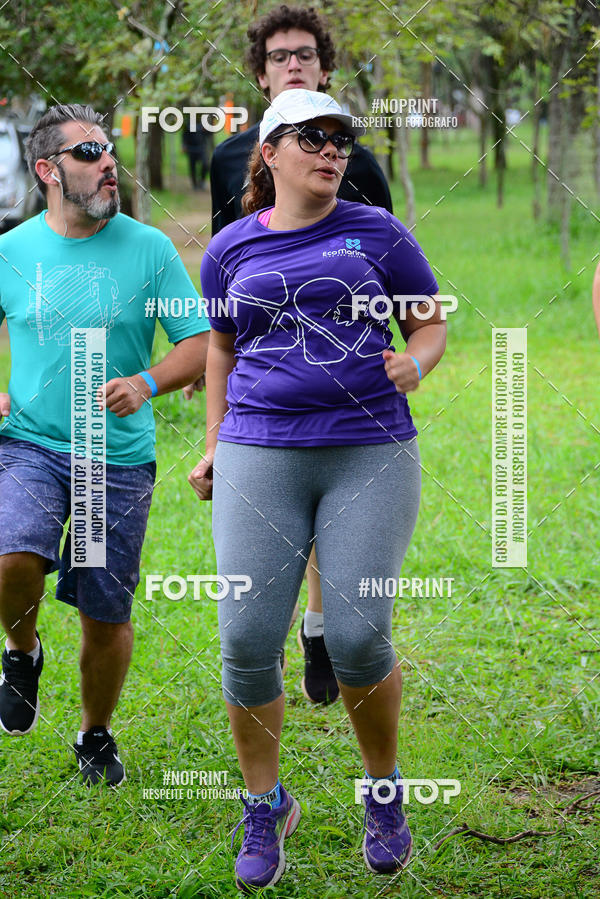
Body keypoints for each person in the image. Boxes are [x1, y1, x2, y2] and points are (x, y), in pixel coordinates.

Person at [188, 89, 446, 892]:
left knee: (361, 635)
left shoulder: (379, 233)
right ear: (269, 152)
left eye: (340, 138)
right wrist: (211, 448)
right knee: (244, 636)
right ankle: (265, 804)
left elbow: (430, 320)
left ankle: (382, 789)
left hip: (369, 450)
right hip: (259, 451)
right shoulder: (229, 248)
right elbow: (222, 352)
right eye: (312, 137)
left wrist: (418, 362)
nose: (331, 150)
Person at [0, 103, 209, 786]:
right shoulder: (13, 250)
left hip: (109, 458)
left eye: (108, 152)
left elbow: (201, 344)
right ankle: (22, 651)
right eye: (87, 154)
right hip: (30, 441)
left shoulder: (147, 249)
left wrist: (147, 381)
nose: (107, 163)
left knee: (101, 608)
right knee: (12, 555)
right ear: (48, 171)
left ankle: (95, 732)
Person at [203, 2, 394, 706]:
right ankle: (274, 646)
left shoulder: (358, 164)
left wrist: (394, 356)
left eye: (305, 55)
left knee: (336, 510)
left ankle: (321, 624)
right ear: (260, 75)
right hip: (258, 370)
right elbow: (225, 277)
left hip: (349, 381)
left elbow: (388, 266)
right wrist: (216, 391)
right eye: (279, 56)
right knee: (272, 517)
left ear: (324, 65)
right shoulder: (230, 157)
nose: (293, 64)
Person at [182, 117, 210, 190]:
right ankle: (194, 185)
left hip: (201, 148)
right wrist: (184, 145)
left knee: (205, 165)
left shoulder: (203, 122)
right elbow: (184, 135)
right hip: (191, 148)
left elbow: (209, 134)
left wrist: (207, 130)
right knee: (192, 167)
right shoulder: (188, 124)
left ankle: (202, 181)